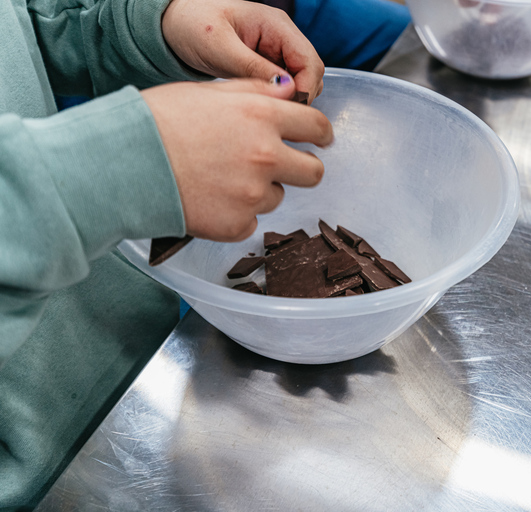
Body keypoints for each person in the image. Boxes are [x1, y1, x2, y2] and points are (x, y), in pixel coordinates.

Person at [0, 0, 409, 509]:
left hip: (140, 369)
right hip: (37, 480)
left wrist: (155, 26)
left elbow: (24, 28)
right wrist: (102, 172)